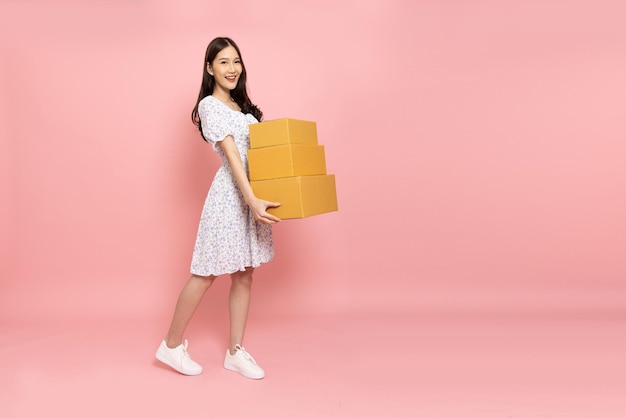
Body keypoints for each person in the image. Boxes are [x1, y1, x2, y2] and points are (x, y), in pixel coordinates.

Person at [155, 37, 280, 380]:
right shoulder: (210, 105)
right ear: (209, 68)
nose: (232, 68)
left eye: (236, 61)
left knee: (244, 273)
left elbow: (259, 153)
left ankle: (235, 351)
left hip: (252, 193)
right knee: (206, 272)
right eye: (223, 62)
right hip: (230, 197)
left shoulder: (244, 109)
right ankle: (171, 344)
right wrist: (250, 198)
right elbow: (232, 154)